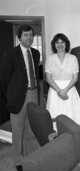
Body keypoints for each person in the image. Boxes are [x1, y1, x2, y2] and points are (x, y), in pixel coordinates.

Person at [0, 25, 40, 165]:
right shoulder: (10, 54)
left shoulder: (35, 53)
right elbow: (4, 79)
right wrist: (10, 96)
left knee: (32, 128)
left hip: (34, 94)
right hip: (17, 98)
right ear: (19, 37)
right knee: (18, 130)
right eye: (25, 35)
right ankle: (18, 161)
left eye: (31, 35)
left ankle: (30, 158)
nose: (29, 38)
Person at [45, 33, 80, 128]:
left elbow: (75, 77)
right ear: (54, 44)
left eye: (62, 42)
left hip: (70, 91)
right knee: (55, 116)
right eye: (57, 42)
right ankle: (57, 140)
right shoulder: (50, 59)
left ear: (66, 44)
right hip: (54, 91)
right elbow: (48, 78)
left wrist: (65, 90)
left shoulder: (73, 58)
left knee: (71, 116)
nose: (60, 45)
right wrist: (59, 91)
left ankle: (72, 139)